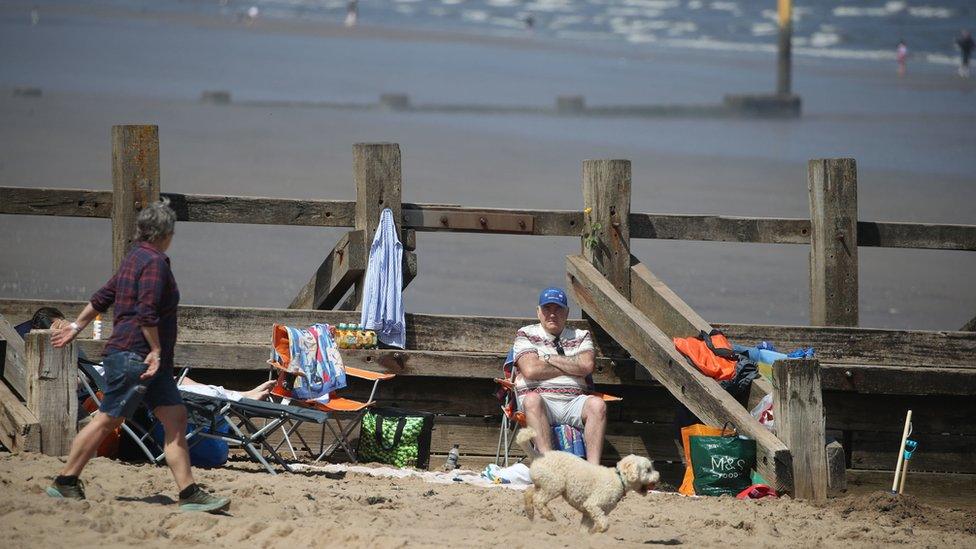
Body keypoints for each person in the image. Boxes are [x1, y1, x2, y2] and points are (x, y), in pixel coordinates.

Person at [48, 198, 230, 513]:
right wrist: (157, 350)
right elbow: (146, 312)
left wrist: (77, 326)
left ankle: (189, 493)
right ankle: (65, 481)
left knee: (176, 418)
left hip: (146, 362)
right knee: (108, 419)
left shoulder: (134, 257)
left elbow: (103, 297)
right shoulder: (155, 263)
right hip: (136, 357)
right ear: (166, 233)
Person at [512, 287, 606, 464]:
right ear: (538, 312)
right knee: (532, 400)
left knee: (597, 405)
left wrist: (547, 358)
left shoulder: (581, 335)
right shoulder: (526, 334)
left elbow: (586, 366)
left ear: (567, 312)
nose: (552, 314)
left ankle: (593, 471)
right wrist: (571, 364)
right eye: (547, 309)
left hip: (574, 401)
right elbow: (531, 370)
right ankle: (549, 466)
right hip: (541, 401)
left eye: (558, 309)